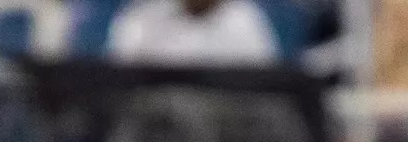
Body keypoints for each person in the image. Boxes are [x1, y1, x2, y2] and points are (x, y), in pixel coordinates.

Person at [107, 0, 280, 67]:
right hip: (154, 122)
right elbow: (119, 84)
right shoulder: (141, 18)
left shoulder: (246, 19)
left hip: (229, 124)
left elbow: (264, 86)